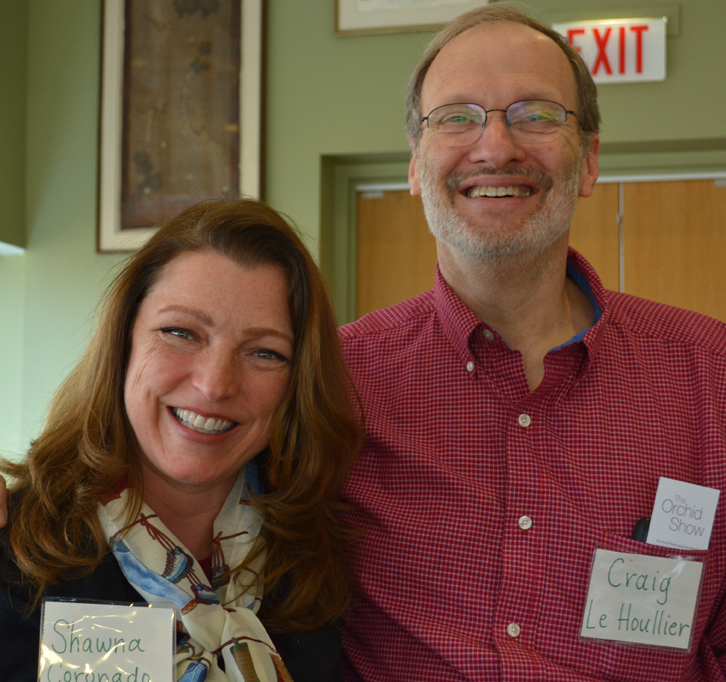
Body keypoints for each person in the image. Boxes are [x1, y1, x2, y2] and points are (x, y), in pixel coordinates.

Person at [338, 4, 726, 681]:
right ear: (414, 165)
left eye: (536, 114)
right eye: (456, 116)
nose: (495, 147)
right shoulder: (335, 382)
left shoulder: (712, 376)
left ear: (591, 160)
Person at [0, 199, 359, 682]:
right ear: (122, 342)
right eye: (180, 332)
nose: (215, 384)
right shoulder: (14, 552)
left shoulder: (322, 562)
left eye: (264, 353)